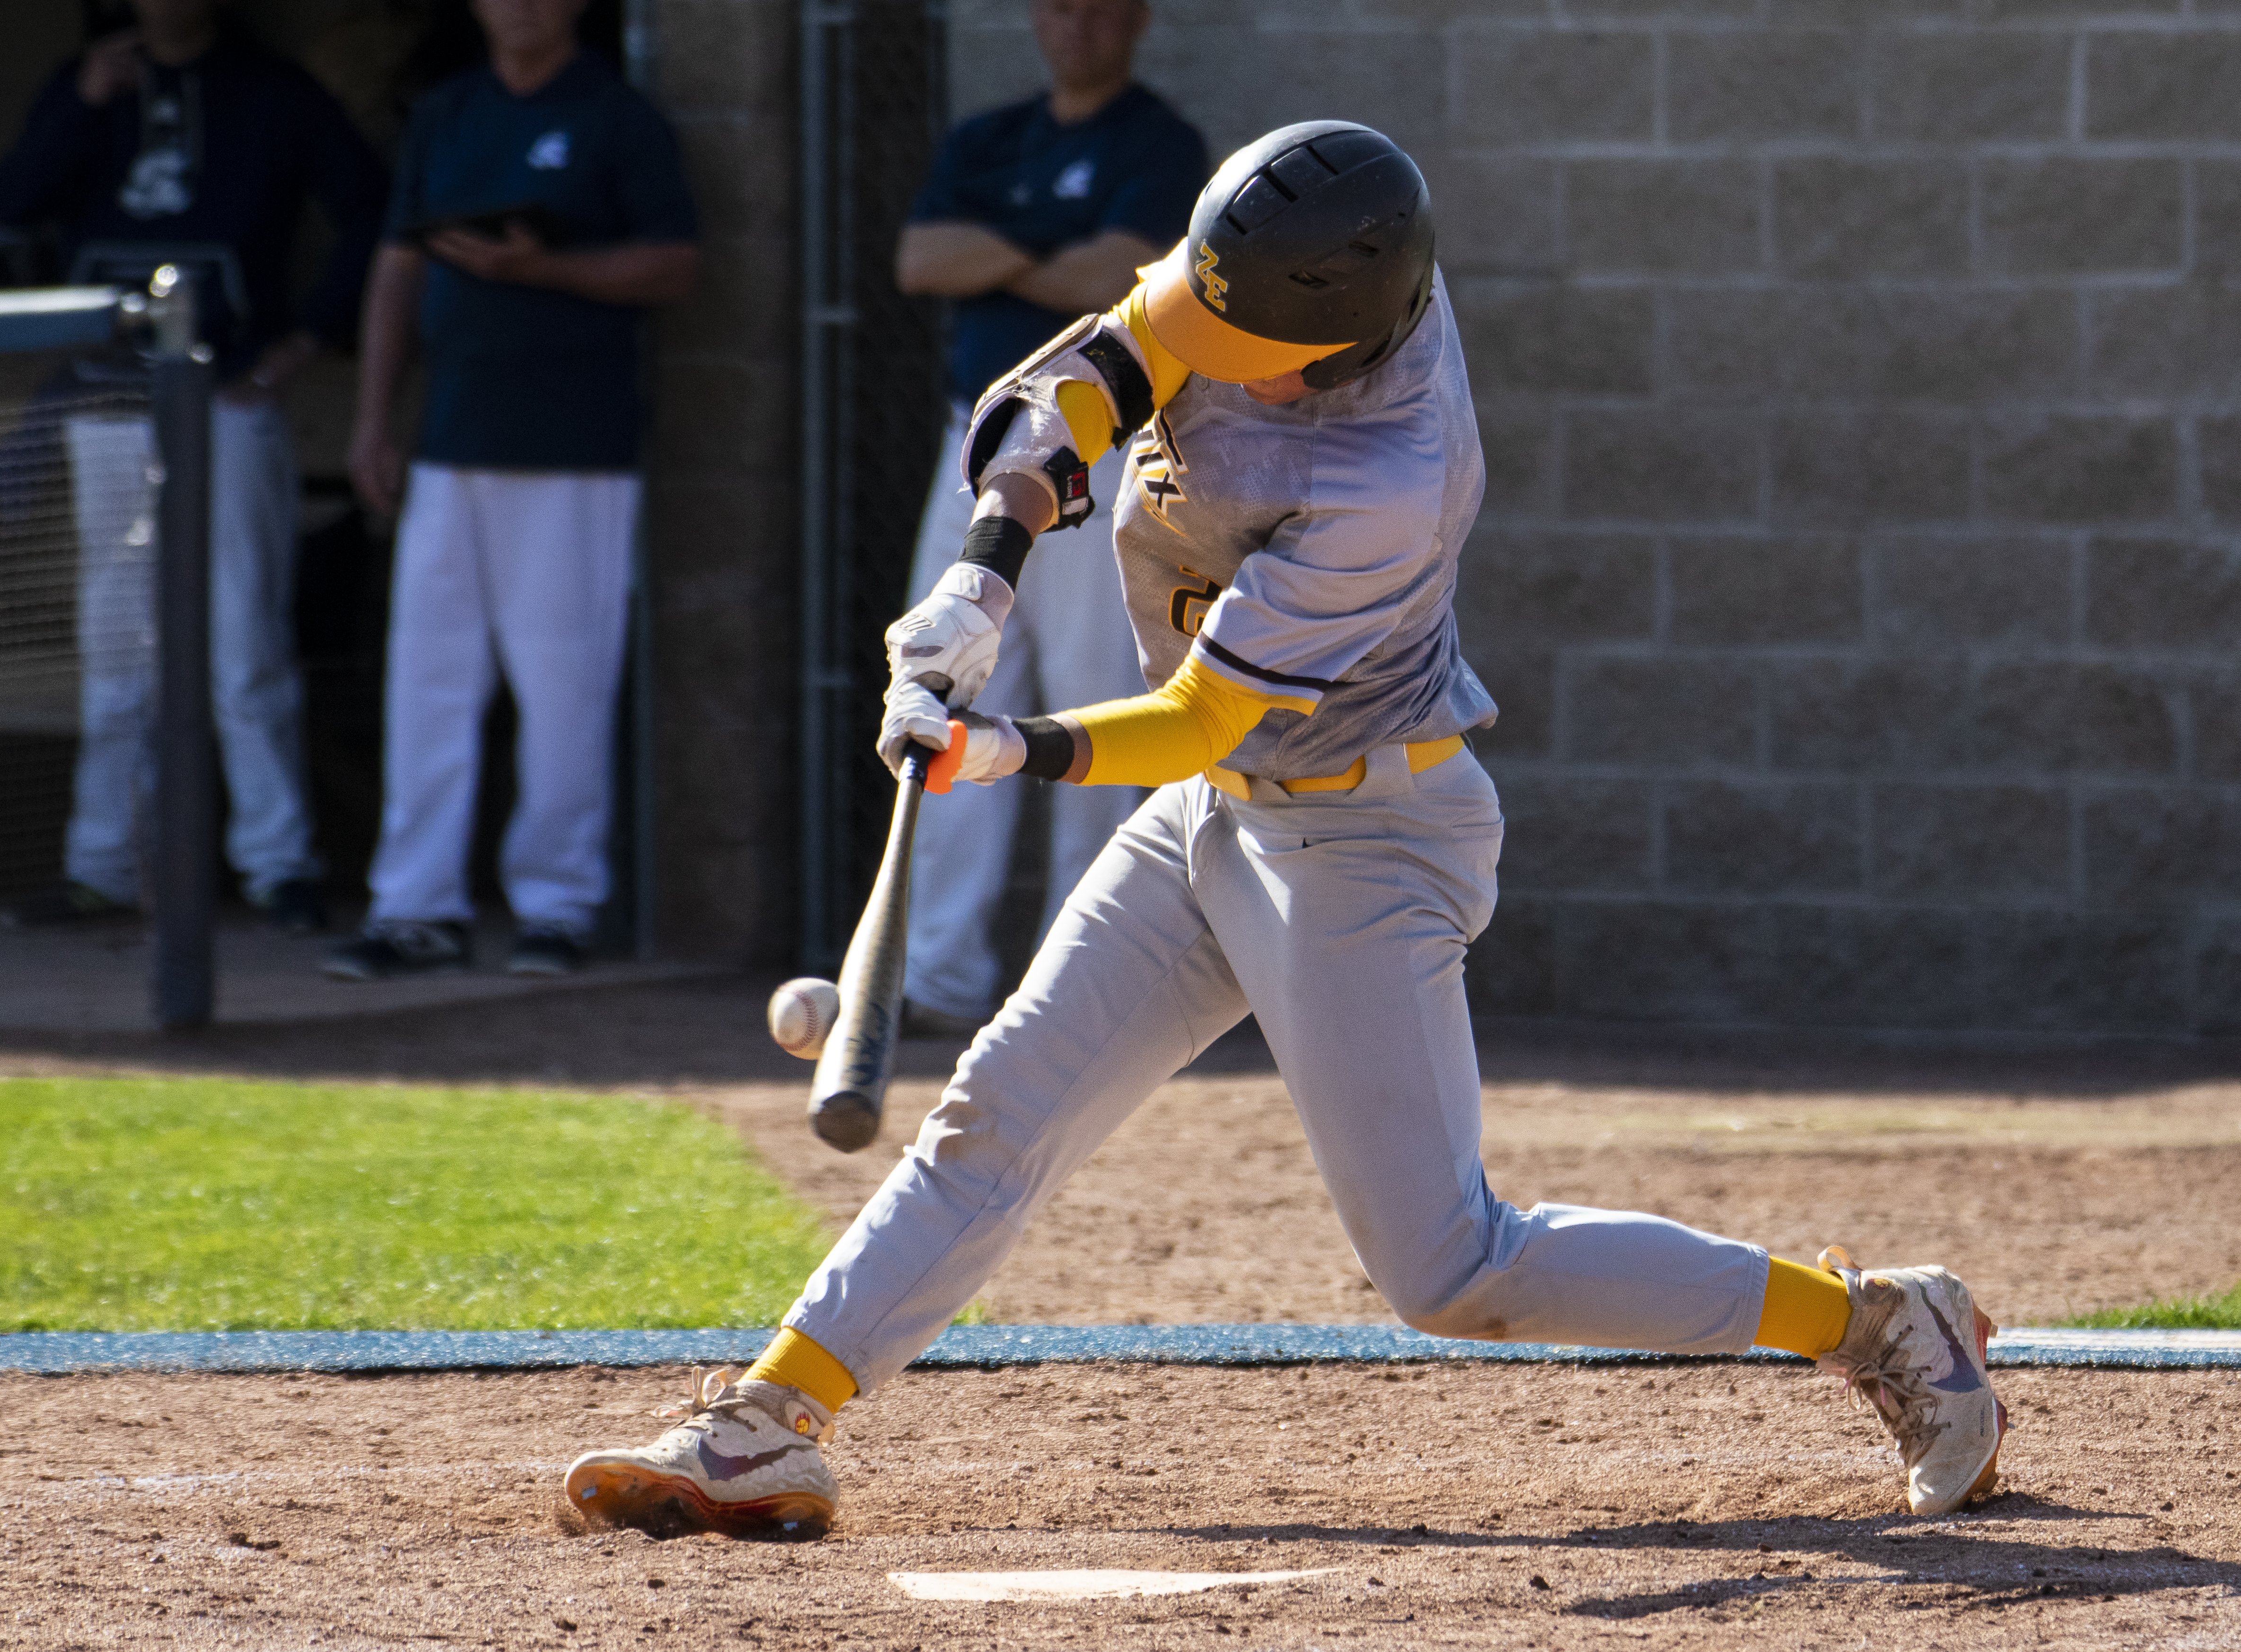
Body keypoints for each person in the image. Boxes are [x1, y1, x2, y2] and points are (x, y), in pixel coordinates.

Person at [563, 123, 2009, 1537]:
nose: (1204, 340)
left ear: (1342, 333)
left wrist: (1008, 745)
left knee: (1449, 1270)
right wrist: (980, 582)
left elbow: (1199, 719)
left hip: (1368, 839)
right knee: (996, 1108)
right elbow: (1082, 382)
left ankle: (1879, 1320)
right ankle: (766, 1419)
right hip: (1217, 817)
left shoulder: (1386, 478)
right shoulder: (1280, 273)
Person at [0, 0, 387, 936]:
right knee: (119, 646)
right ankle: (107, 865)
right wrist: (84, 104)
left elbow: (376, 216)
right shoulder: (86, 84)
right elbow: (10, 203)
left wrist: (299, 349)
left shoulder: (274, 93)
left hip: (226, 396)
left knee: (243, 641)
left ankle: (279, 865)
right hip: (107, 399)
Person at [324, 0, 697, 982]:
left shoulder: (618, 117)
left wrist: (548, 268)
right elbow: (397, 269)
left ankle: (557, 908)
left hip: (572, 452)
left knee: (562, 683)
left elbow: (676, 262)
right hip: (451, 445)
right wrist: (374, 420)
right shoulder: (448, 114)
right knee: (429, 682)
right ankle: (415, 908)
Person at [890, 0, 1207, 1035]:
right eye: (1061, 3)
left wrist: (1009, 252)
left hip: (1097, 461)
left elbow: (1107, 281)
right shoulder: (989, 137)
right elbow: (921, 259)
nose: (1079, 23)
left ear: (1138, 19)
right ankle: (939, 973)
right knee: (945, 687)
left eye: (1102, 5)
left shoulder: (1160, 142)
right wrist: (1049, 254)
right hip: (973, 450)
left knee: (1090, 709)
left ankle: (1083, 986)